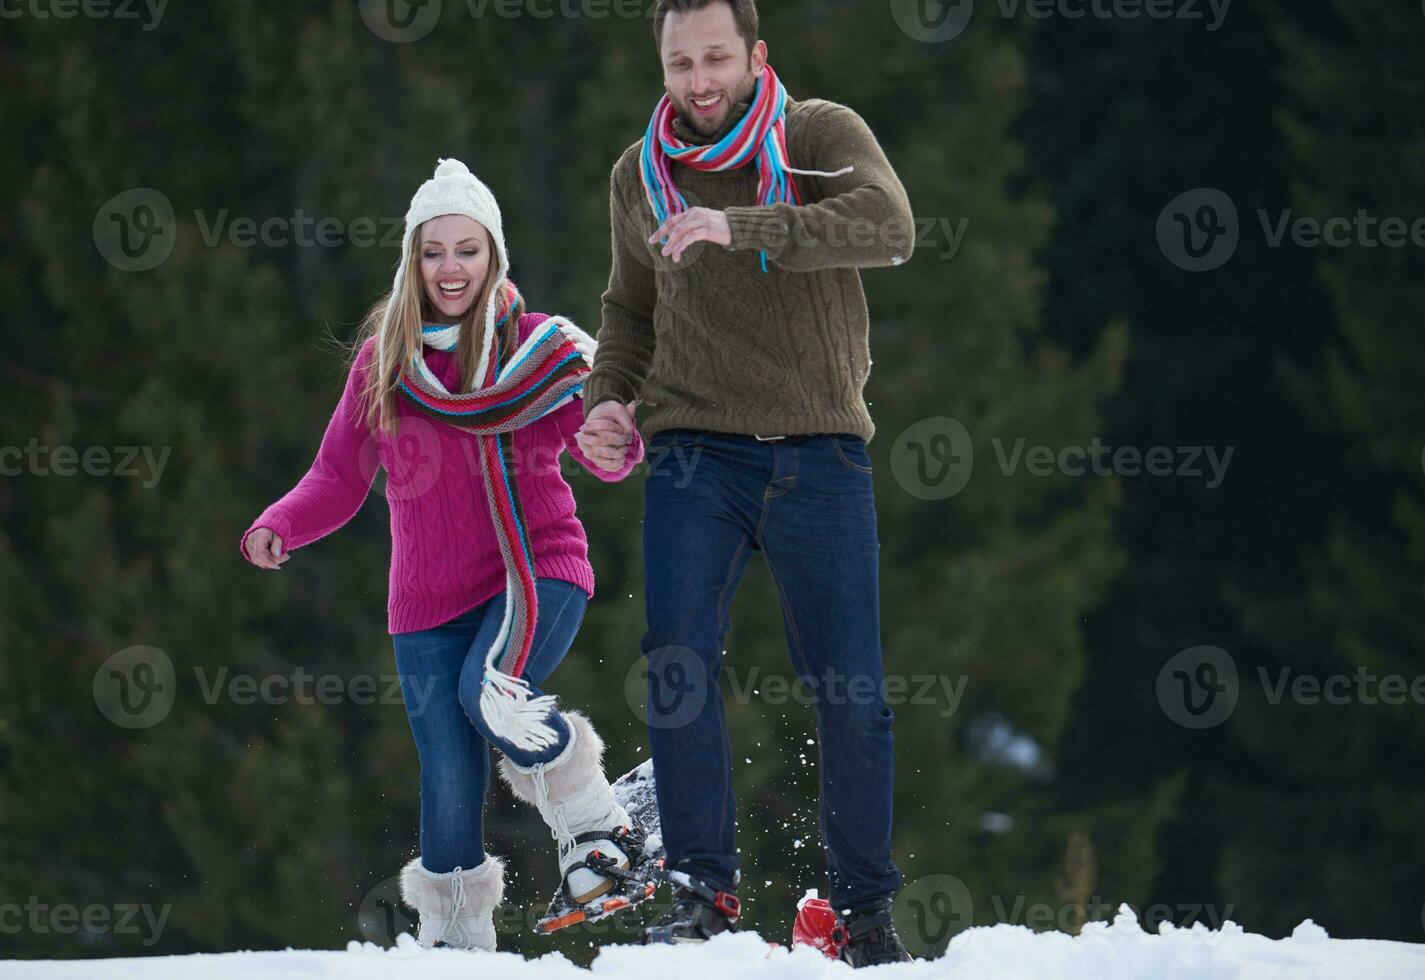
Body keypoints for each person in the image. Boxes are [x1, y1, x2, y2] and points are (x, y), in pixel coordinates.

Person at [577, 0, 916, 966]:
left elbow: (888, 227)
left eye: (715, 57)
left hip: (819, 449)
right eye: (680, 62)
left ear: (754, 54)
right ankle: (700, 892)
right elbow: (627, 311)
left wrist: (742, 224)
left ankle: (862, 913)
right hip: (694, 450)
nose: (698, 80)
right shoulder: (636, 176)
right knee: (678, 660)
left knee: (850, 688)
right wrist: (608, 401)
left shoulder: (817, 132)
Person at [239, 159, 645, 952]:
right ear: (411, 261)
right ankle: (457, 941)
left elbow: (602, 444)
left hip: (537, 571)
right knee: (449, 778)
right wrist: (279, 523)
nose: (450, 268)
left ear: (493, 255)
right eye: (433, 252)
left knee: (488, 692)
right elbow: (337, 476)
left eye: (467, 249)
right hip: (424, 603)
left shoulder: (540, 349)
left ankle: (598, 830)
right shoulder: (385, 365)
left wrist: (615, 441)